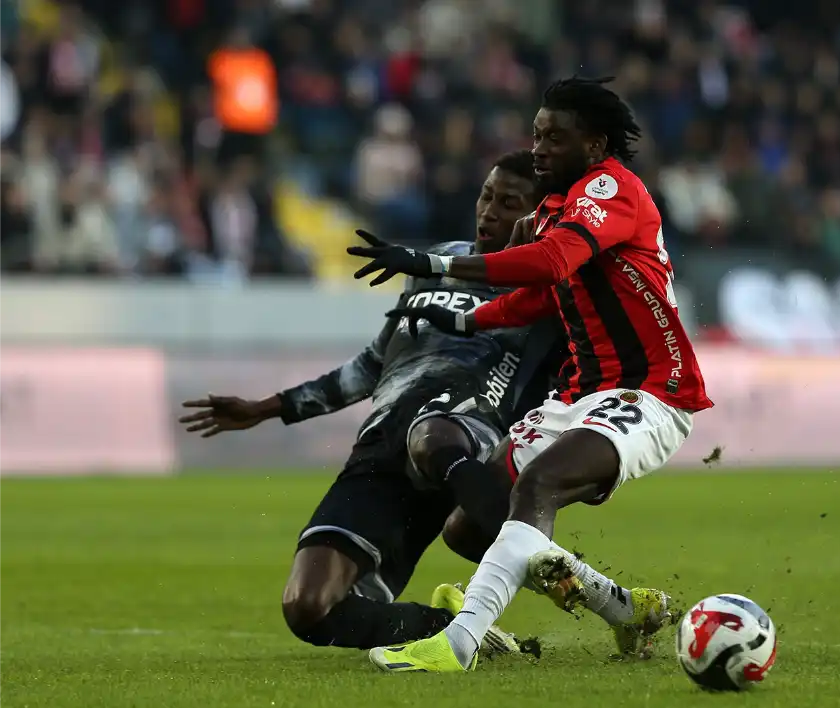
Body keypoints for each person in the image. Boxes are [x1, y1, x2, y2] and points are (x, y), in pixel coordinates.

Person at [179, 150, 671, 657]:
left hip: (470, 441)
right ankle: (458, 628)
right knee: (308, 608)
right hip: (383, 450)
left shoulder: (554, 292)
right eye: (486, 196)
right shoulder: (436, 264)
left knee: (432, 432)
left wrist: (586, 448)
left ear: (538, 214)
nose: (490, 212)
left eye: (509, 203)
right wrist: (270, 407)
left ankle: (527, 567)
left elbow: (592, 370)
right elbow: (373, 365)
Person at [347, 77, 713, 673]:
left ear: (594, 146)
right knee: (469, 525)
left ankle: (457, 644)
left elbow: (550, 261)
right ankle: (629, 611)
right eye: (536, 134)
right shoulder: (552, 208)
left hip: (650, 390)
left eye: (554, 138)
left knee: (536, 486)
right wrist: (466, 321)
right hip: (580, 394)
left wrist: (431, 263)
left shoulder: (611, 187)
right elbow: (544, 294)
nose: (539, 148)